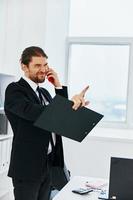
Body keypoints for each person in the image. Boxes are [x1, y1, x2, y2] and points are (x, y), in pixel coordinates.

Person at [4, 46, 89, 200]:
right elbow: (37, 113)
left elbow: (60, 119)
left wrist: (58, 86)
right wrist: (70, 104)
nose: (43, 70)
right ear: (24, 66)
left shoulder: (44, 93)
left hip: (48, 165)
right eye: (37, 65)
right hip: (28, 167)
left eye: (45, 65)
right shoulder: (15, 90)